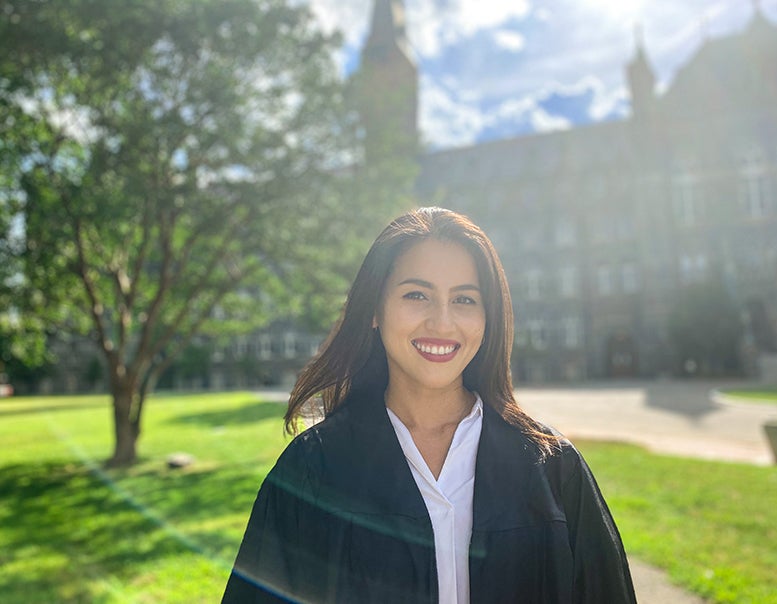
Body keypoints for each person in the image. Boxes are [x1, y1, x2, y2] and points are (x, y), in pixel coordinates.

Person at [222, 207, 637, 603]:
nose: (442, 322)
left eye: (464, 300)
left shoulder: (553, 469)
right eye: (417, 294)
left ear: (488, 318)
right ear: (374, 310)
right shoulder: (312, 471)